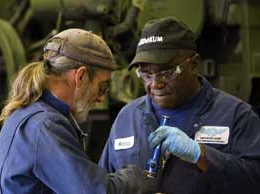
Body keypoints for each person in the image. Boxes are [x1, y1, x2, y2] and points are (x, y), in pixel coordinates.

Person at [99, 16, 260, 194]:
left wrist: (201, 154)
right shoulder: (127, 117)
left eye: (166, 73)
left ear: (193, 65)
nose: (155, 84)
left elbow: (254, 181)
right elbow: (104, 184)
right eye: (146, 75)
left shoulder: (236, 116)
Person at [0, 29, 154, 194]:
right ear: (81, 76)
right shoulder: (45, 126)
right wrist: (137, 178)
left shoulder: (28, 114)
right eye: (102, 87)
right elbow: (93, 191)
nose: (100, 99)